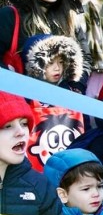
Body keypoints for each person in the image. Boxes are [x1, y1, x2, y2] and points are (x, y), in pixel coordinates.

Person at [5, 0, 93, 90]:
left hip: (61, 95)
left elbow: (84, 57)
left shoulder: (71, 16)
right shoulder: (11, 15)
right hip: (20, 93)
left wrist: (76, 84)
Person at [19, 34, 86, 171]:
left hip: (72, 170)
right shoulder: (24, 96)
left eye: (61, 62)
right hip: (34, 171)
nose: (57, 68)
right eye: (50, 63)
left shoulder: (74, 94)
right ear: (35, 65)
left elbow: (85, 132)